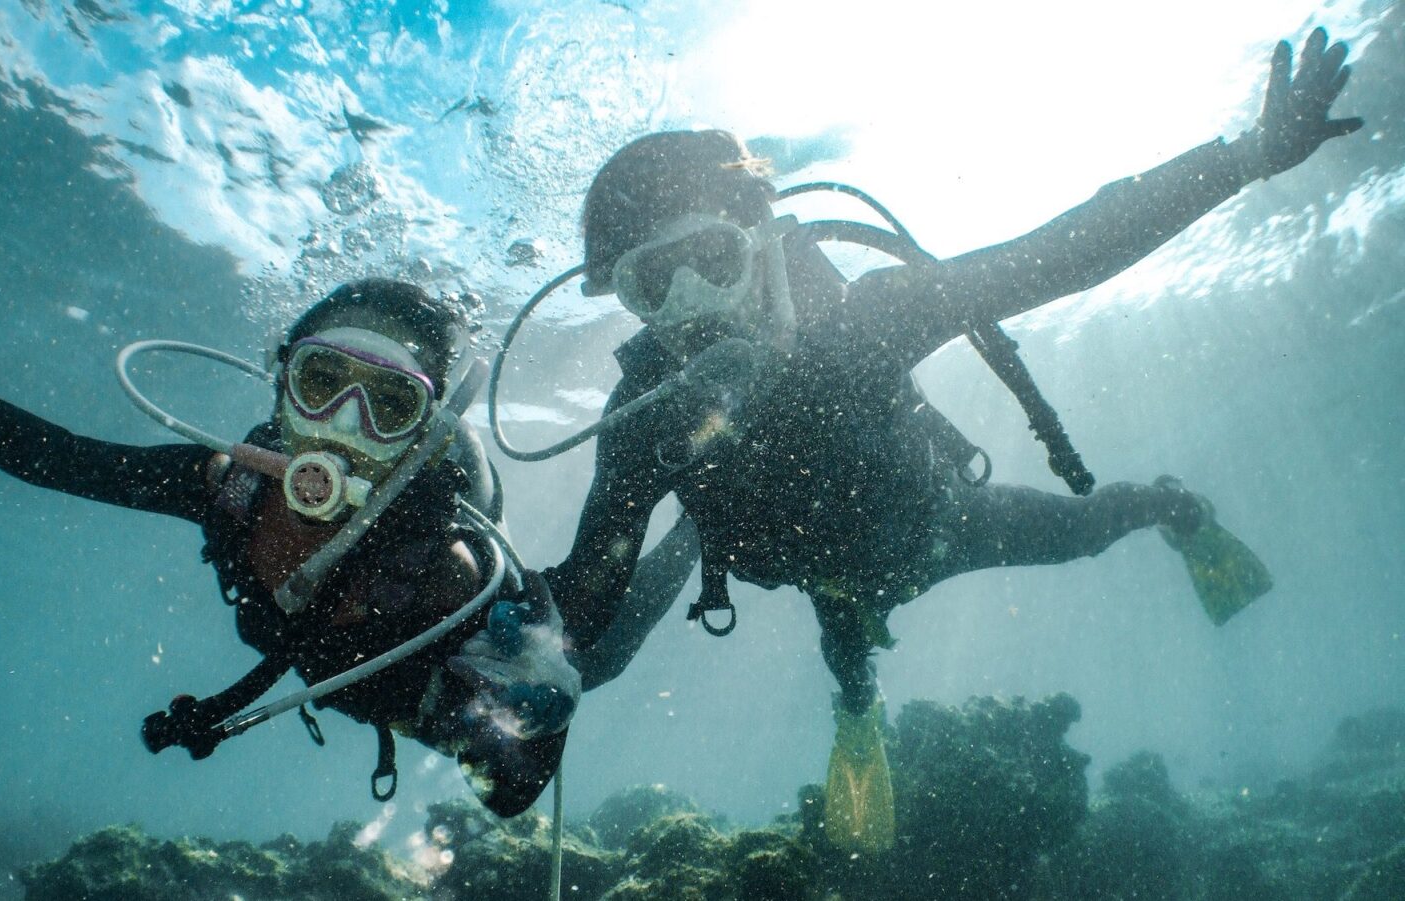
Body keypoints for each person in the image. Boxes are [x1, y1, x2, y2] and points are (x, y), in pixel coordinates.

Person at [542, 28, 1355, 850]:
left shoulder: (869, 324)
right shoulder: (646, 418)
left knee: (1084, 531)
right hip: (820, 575)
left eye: (711, 260)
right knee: (846, 664)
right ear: (626, 299)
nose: (692, 310)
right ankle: (856, 714)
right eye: (652, 284)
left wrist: (1248, 155)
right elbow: (584, 608)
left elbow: (1060, 255)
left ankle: (1173, 505)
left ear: (760, 241)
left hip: (942, 525)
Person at [0, 252, 582, 816]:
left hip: (417, 696)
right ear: (282, 388)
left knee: (600, 653)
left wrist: (521, 706)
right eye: (322, 384)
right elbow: (61, 462)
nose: (346, 426)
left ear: (423, 434)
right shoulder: (227, 488)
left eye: (388, 404)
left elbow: (515, 791)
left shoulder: (447, 567)